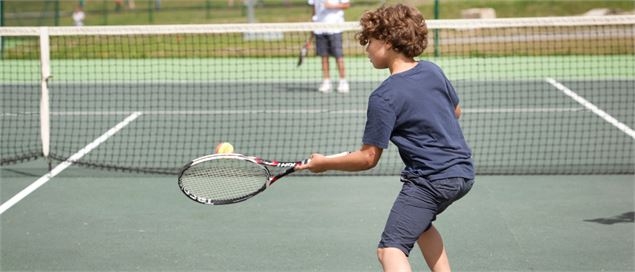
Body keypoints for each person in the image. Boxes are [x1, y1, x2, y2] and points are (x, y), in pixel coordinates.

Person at [296, 4, 475, 272]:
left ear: (388, 42)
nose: (366, 48)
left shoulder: (384, 96)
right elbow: (456, 111)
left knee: (390, 249)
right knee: (421, 226)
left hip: (430, 180)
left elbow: (368, 158)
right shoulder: (432, 70)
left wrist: (324, 163)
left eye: (370, 41)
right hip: (463, 174)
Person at [308, 0, 350, 93]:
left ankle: (343, 82)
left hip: (335, 28)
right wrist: (312, 26)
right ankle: (326, 82)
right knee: (324, 57)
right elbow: (314, 11)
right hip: (319, 29)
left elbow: (347, 5)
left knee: (339, 56)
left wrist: (333, 6)